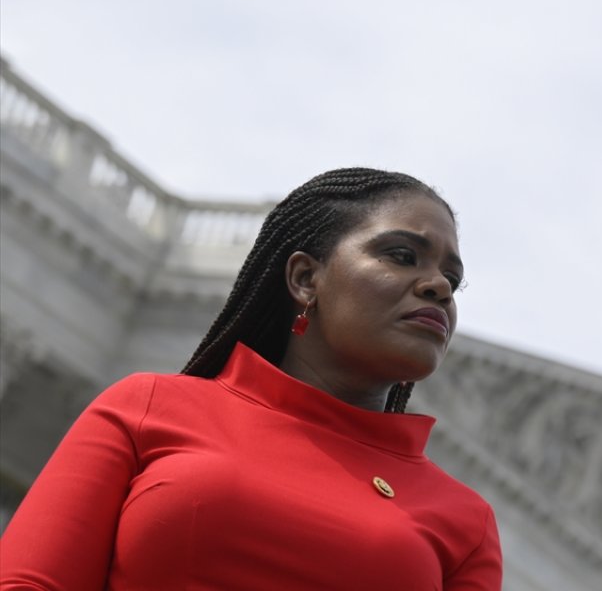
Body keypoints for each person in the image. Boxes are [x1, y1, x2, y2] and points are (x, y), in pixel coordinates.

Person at [0, 168, 502, 590]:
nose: (439, 286)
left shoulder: (465, 521)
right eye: (401, 255)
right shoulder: (148, 406)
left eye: (452, 281)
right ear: (306, 279)